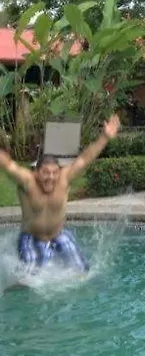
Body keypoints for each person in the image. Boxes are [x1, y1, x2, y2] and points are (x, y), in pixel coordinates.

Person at [0, 115, 121, 275]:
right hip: (32, 238)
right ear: (36, 173)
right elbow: (8, 165)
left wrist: (104, 137)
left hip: (58, 235)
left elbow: (85, 159)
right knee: (31, 279)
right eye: (45, 172)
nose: (50, 177)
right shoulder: (28, 182)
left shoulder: (64, 180)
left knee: (82, 273)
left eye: (54, 173)